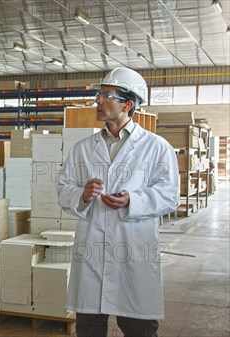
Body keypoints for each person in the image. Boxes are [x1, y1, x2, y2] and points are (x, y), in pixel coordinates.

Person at [56, 67, 180, 337]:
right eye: (98, 95)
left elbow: (169, 195)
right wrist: (83, 194)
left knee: (139, 329)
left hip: (133, 254)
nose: (97, 101)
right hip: (92, 253)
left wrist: (132, 201)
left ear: (128, 104)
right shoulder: (83, 149)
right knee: (89, 327)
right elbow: (64, 188)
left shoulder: (157, 148)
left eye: (105, 95)